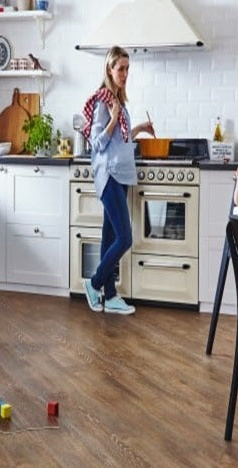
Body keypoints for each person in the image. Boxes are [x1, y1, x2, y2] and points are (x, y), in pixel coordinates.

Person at [80, 46, 154, 315]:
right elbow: (97, 143)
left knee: (109, 235)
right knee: (124, 238)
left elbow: (120, 138)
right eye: (120, 68)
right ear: (110, 69)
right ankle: (95, 282)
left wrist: (140, 129)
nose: (125, 73)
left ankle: (109, 295)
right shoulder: (103, 102)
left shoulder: (118, 101)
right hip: (110, 174)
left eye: (127, 68)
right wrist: (112, 118)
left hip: (121, 173)